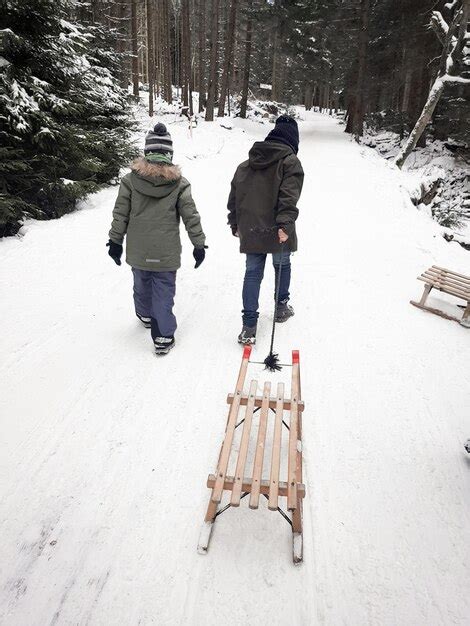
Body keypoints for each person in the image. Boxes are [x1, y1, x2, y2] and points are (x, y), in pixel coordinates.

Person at [107, 123, 206, 355]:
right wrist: (198, 243)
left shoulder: (130, 181)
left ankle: (143, 313)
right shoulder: (180, 184)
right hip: (166, 252)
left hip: (138, 249)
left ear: (146, 152)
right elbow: (190, 216)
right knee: (163, 290)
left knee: (141, 282)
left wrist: (115, 241)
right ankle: (162, 335)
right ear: (169, 154)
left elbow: (120, 213)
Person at [227, 115, 304, 345]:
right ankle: (280, 307)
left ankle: (249, 327)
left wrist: (235, 223)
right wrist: (285, 225)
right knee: (282, 265)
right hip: (278, 228)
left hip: (251, 228)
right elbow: (289, 196)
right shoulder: (290, 162)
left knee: (252, 273)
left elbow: (234, 196)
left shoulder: (247, 164)